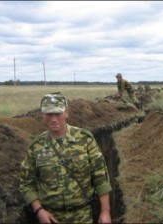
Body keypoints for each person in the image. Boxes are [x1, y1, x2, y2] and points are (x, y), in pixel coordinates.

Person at [19, 92, 112, 224]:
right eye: (49, 114)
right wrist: (39, 210)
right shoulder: (36, 147)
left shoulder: (85, 139)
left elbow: (100, 176)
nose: (53, 119)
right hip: (51, 217)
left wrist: (105, 212)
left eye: (57, 114)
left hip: (82, 216)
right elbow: (27, 183)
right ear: (43, 115)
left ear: (67, 113)